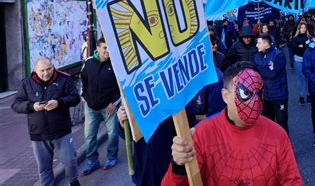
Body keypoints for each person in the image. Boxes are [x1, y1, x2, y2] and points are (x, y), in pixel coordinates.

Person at [162, 62, 302, 185]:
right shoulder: (201, 135)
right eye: (246, 93)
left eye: (258, 93)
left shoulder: (278, 135)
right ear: (225, 96)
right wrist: (179, 167)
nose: (255, 101)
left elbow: (292, 181)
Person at [11, 57, 81, 186]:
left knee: (70, 160)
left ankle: (74, 181)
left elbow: (75, 98)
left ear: (53, 67)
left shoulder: (64, 79)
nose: (46, 73)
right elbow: (16, 104)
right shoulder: (26, 83)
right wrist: (32, 106)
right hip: (38, 133)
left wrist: (59, 103)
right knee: (44, 168)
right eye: (42, 70)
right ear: (35, 70)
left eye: (49, 69)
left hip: (62, 130)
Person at [117, 104, 196, 185]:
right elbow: (128, 135)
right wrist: (123, 123)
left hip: (170, 169)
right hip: (143, 170)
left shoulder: (170, 96)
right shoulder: (132, 97)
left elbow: (190, 118)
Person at [81, 37, 120, 175]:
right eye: (104, 48)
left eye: (109, 48)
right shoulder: (89, 63)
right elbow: (83, 80)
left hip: (108, 107)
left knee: (113, 133)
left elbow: (120, 87)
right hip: (91, 108)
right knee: (89, 136)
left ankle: (112, 157)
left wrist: (114, 103)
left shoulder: (115, 63)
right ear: (97, 48)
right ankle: (92, 161)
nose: (107, 51)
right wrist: (86, 97)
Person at [254, 33, 289, 133]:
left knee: (282, 124)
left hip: (279, 96)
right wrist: (266, 70)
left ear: (266, 44)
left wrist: (260, 70)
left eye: (259, 43)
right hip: (265, 96)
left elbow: (272, 74)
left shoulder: (279, 55)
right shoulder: (257, 56)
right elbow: (256, 71)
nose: (256, 45)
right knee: (268, 124)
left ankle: (284, 146)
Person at [290, 22, 311, 105]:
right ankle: (301, 96)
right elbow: (295, 50)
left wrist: (302, 46)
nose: (303, 29)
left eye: (304, 28)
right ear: (299, 29)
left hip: (309, 60)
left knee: (309, 78)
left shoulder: (309, 37)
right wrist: (304, 46)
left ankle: (309, 94)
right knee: (301, 78)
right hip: (298, 60)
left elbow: (311, 47)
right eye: (301, 28)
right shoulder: (295, 39)